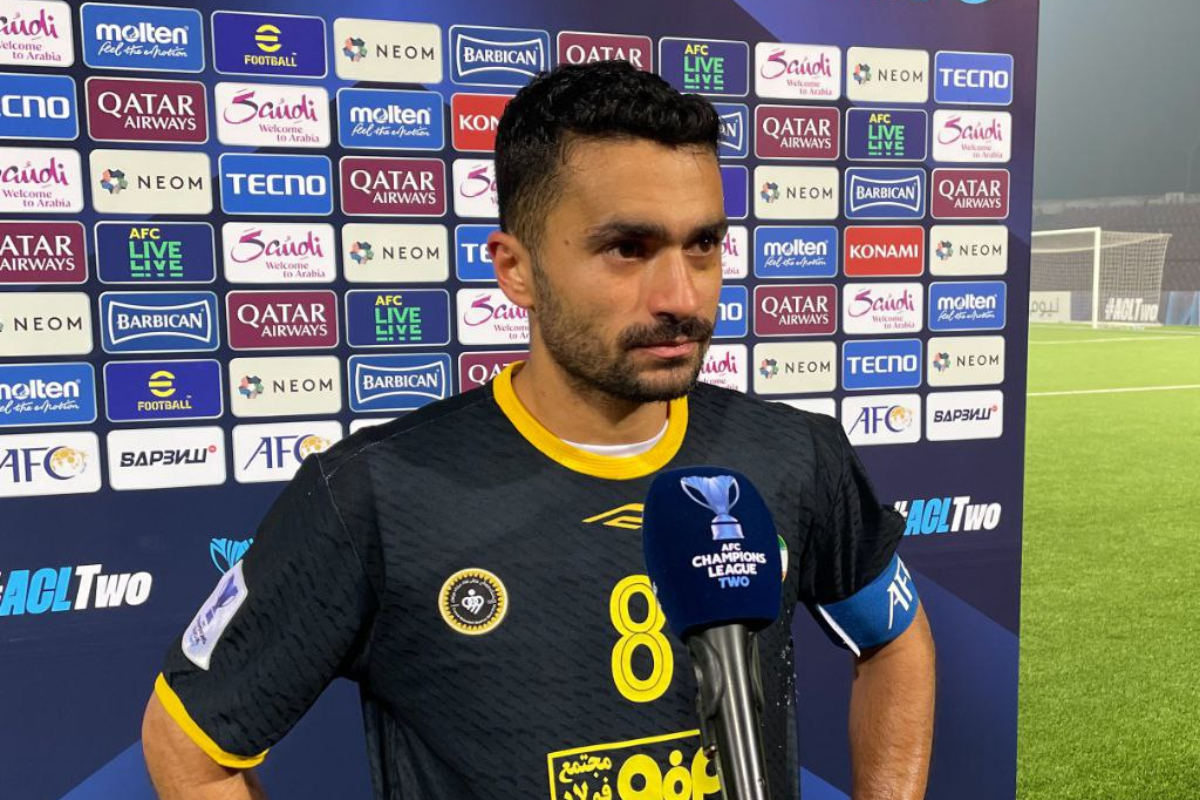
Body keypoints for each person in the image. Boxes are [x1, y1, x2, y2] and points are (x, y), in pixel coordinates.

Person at [142, 60, 935, 800]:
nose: (681, 295)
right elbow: (189, 748)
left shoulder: (793, 454)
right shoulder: (374, 495)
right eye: (627, 248)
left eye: (703, 245)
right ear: (515, 269)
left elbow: (895, 641)